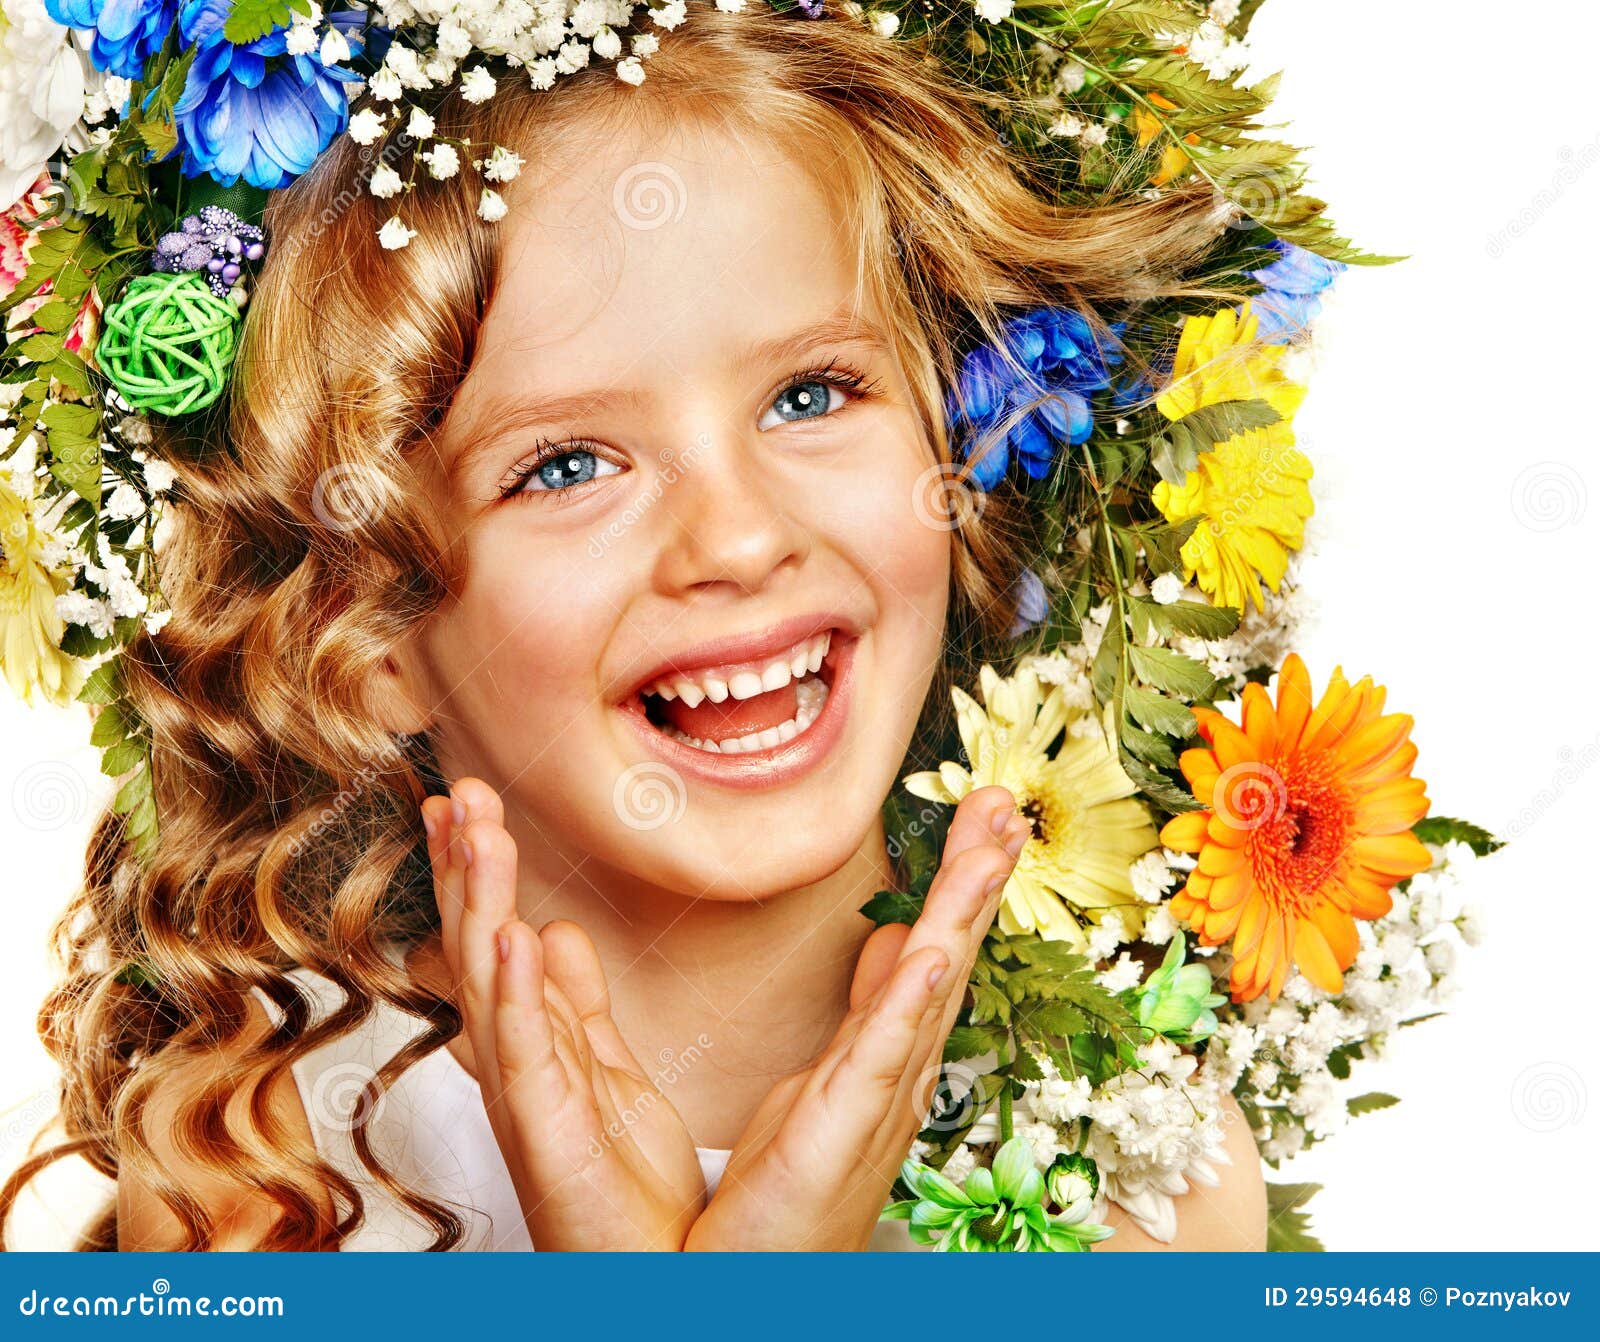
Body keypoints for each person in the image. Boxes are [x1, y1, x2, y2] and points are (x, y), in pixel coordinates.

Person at [1, 4, 1264, 1251]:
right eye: (565, 467)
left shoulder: (1139, 1177)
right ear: (366, 635)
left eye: (811, 394)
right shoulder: (269, 1175)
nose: (737, 538)